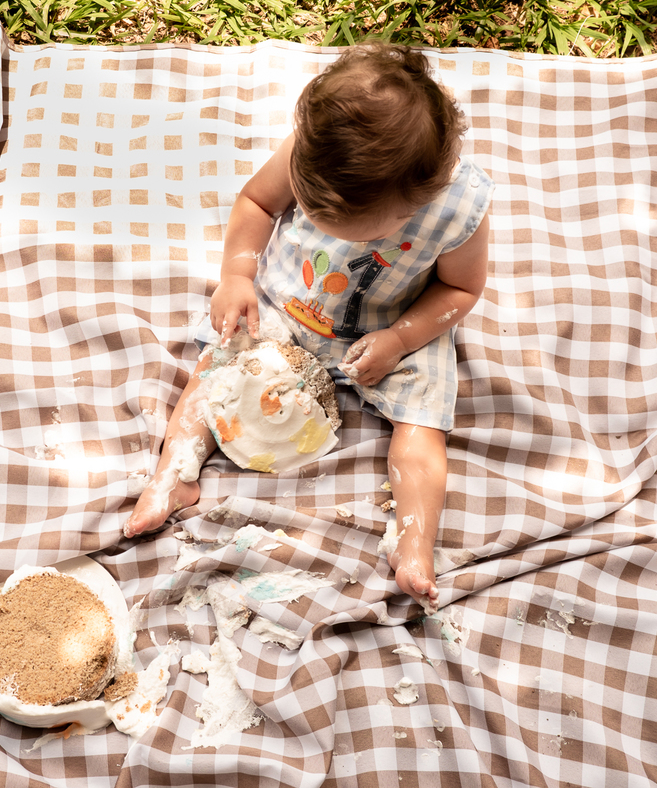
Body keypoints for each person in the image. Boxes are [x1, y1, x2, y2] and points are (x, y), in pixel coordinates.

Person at [124, 41, 494, 606]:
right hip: (288, 301)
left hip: (392, 324)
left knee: (423, 423)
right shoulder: (313, 150)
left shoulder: (457, 206)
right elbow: (256, 203)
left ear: (417, 200)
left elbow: (461, 291)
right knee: (218, 366)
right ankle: (174, 475)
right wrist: (237, 276)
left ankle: (414, 540)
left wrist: (401, 340)